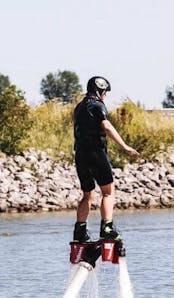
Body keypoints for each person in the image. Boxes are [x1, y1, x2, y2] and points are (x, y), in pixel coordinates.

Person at [72, 76, 139, 243]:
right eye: (105, 93)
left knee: (87, 195)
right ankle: (107, 228)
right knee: (108, 192)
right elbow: (107, 126)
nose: (105, 96)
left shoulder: (79, 107)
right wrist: (124, 146)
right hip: (96, 153)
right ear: (99, 91)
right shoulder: (97, 105)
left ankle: (80, 231)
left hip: (80, 155)